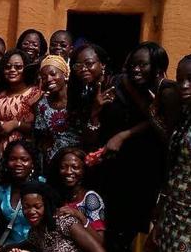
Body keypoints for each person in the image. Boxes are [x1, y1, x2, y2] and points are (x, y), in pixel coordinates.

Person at [97, 42, 180, 251]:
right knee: (116, 231)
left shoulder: (167, 91)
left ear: (158, 67)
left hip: (152, 172)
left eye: (143, 65)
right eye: (133, 64)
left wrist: (124, 135)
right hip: (121, 170)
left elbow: (166, 133)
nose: (136, 69)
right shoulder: (121, 84)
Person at [150, 54, 191, 251]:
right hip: (173, 215)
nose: (184, 85)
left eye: (190, 79)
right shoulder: (183, 117)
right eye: (180, 79)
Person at [12, 181, 105, 252]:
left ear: (46, 205)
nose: (31, 211)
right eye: (26, 207)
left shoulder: (65, 222)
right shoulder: (34, 233)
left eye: (37, 206)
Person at [49, 147, 105, 244]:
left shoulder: (90, 198)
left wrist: (79, 216)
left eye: (75, 167)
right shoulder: (57, 195)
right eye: (63, 167)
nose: (68, 172)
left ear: (84, 170)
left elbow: (100, 241)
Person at [34, 55, 80, 170]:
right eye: (44, 77)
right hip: (54, 161)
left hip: (78, 160)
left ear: (65, 75)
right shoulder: (42, 105)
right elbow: (42, 137)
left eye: (53, 74)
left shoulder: (79, 98)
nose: (49, 79)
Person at [67, 44, 115, 150]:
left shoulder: (118, 85)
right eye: (78, 66)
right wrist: (95, 112)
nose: (83, 69)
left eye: (89, 63)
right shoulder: (85, 94)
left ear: (102, 64)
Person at [0, 140, 44, 246]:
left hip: (37, 245)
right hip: (10, 246)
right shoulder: (2, 189)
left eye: (24, 159)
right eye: (13, 159)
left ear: (32, 163)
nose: (18, 163)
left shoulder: (42, 186)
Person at [0, 49, 42, 156]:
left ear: (26, 69)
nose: (12, 70)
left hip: (25, 154)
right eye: (7, 67)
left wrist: (16, 124)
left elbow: (40, 128)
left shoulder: (36, 94)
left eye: (18, 67)